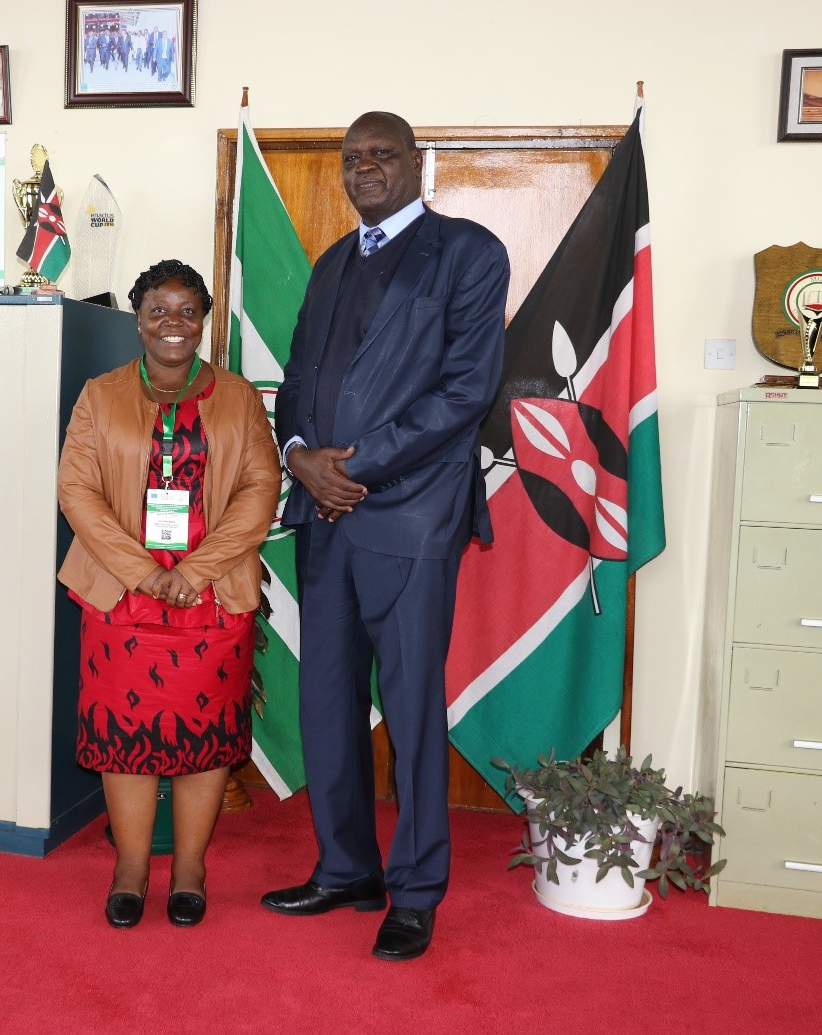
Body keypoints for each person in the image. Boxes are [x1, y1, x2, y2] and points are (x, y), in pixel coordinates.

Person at [262, 111, 510, 961]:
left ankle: (413, 888)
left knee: (407, 708)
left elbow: (463, 392)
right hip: (322, 516)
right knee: (326, 700)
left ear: (416, 162)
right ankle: (344, 868)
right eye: (352, 158)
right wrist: (299, 455)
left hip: (407, 517)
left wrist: (351, 467)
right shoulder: (331, 261)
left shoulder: (469, 254)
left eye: (382, 155)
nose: (365, 168)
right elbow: (294, 382)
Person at [57, 259, 279, 929]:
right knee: (125, 736)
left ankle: (189, 867)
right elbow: (77, 489)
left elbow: (258, 490)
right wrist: (142, 571)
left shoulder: (238, 397)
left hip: (210, 599)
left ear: (203, 319)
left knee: (203, 738)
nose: (172, 323)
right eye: (159, 310)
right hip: (120, 597)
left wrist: (194, 570)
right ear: (138, 319)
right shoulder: (100, 395)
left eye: (186, 310)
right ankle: (129, 866)